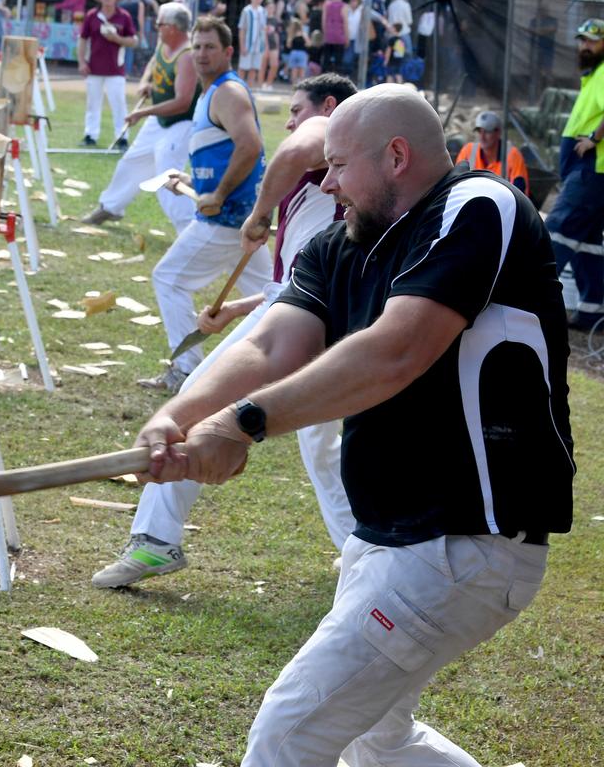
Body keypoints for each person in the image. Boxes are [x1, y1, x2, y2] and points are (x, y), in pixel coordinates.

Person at [133, 83, 573, 766]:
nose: (327, 183)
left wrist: (244, 422)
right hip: (390, 539)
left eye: (338, 166)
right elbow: (269, 345)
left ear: (396, 155)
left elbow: (397, 350)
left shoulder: (476, 208)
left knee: (289, 733)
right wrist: (177, 416)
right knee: (379, 741)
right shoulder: (337, 246)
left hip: (465, 542)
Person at [92, 73, 358, 589]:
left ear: (327, 105)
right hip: (317, 309)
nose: (292, 121)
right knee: (321, 443)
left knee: (197, 404)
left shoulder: (331, 132)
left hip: (307, 315)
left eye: (296, 110)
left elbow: (289, 153)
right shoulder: (346, 174)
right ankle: (362, 548)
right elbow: (298, 279)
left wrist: (258, 216)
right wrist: (236, 309)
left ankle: (155, 541)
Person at [135, 16, 272, 392]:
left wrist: (220, 193)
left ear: (228, 52)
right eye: (196, 46)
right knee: (277, 294)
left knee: (168, 278)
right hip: (237, 219)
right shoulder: (211, 93)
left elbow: (251, 146)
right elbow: (226, 154)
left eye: (210, 47)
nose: (201, 54)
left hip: (226, 219)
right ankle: (296, 357)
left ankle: (185, 372)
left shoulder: (227, 91)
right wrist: (194, 182)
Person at [81, 1, 199, 231]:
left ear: (173, 27)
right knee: (132, 160)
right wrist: (146, 83)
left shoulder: (187, 56)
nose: (156, 27)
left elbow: (182, 102)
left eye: (159, 24)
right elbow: (153, 65)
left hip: (181, 122)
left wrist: (142, 112)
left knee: (167, 174)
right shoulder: (164, 44)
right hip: (159, 118)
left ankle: (189, 229)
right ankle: (111, 207)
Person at [546, 18, 604, 332]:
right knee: (589, 242)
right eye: (582, 40)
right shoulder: (593, 75)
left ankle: (526, 300)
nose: (585, 46)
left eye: (592, 41)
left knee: (557, 229)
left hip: (592, 171)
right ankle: (593, 312)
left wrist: (593, 139)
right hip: (591, 173)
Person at [78, 0, 138, 147]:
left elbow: (133, 41)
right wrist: (81, 61)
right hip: (94, 68)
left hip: (115, 69)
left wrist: (116, 38)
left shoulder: (124, 16)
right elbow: (83, 39)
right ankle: (90, 135)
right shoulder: (92, 15)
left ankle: (122, 136)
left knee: (119, 103)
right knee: (92, 103)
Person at [454, 110, 529, 196]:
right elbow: (457, 184)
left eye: (487, 131)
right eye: (479, 131)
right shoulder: (468, 151)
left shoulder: (513, 154)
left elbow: (519, 193)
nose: (482, 137)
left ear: (498, 132)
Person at [237, 0, 267, 89]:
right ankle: (238, 88)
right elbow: (242, 29)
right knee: (243, 67)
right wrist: (242, 46)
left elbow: (263, 29)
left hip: (258, 45)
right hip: (247, 44)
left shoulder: (263, 11)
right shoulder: (246, 10)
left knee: (254, 68)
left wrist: (264, 44)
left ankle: (249, 89)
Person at [319, 0, 347, 75]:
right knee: (338, 62)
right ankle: (337, 80)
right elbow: (345, 24)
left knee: (326, 61)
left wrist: (325, 35)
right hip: (339, 37)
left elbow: (323, 21)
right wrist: (347, 37)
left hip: (328, 37)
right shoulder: (343, 6)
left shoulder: (326, 4)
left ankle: (324, 79)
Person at [285, 17, 307, 84]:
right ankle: (301, 86)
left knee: (294, 71)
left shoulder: (291, 34)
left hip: (293, 53)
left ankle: (294, 86)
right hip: (302, 53)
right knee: (302, 71)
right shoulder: (303, 33)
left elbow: (288, 45)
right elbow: (309, 43)